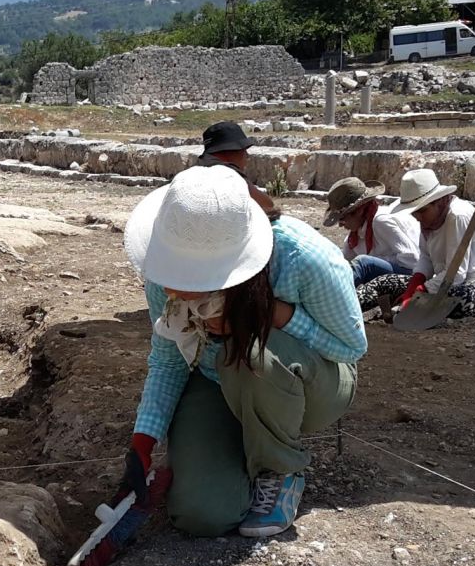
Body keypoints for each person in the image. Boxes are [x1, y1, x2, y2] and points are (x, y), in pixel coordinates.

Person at [123, 166, 365, 539]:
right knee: (201, 514)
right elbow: (168, 360)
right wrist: (144, 440)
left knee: (248, 355)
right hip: (219, 383)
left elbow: (351, 347)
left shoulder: (303, 258)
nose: (176, 291)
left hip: (308, 385)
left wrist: (275, 316)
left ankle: (279, 469)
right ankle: (243, 454)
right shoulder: (163, 270)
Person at [356, 169, 475, 319]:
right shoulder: (429, 221)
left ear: (439, 202)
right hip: (446, 283)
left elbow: (455, 274)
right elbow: (425, 257)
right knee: (384, 282)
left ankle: (401, 312)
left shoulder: (458, 216)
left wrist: (422, 290)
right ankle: (346, 306)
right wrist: (414, 286)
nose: (417, 217)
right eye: (414, 212)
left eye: (422, 211)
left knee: (449, 301)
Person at [323, 176, 420, 285]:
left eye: (342, 219)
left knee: (364, 263)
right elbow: (343, 261)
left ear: (358, 211)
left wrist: (375, 263)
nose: (340, 225)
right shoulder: (356, 234)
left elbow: (412, 260)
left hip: (413, 274)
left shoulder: (380, 221)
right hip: (394, 276)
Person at [199, 120, 276, 211]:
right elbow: (267, 204)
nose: (247, 156)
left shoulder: (197, 167)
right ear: (231, 151)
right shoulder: (229, 174)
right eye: (243, 150)